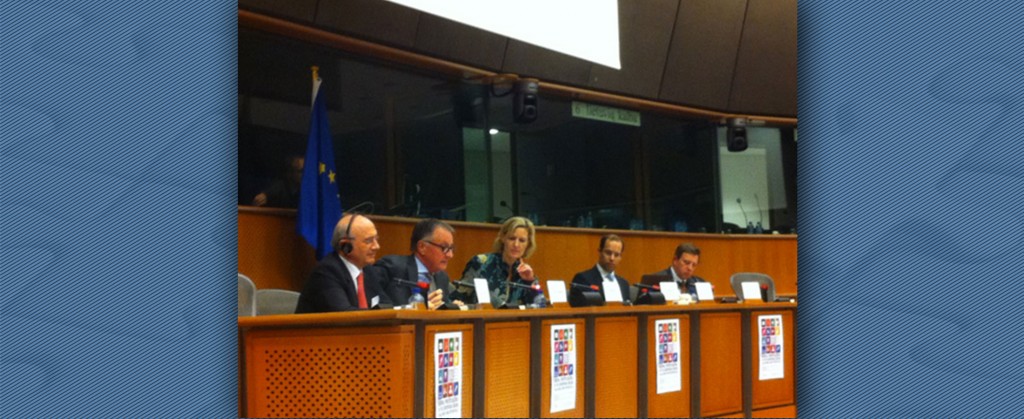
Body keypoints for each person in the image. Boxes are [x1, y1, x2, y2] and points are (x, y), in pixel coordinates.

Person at [295, 213, 391, 313]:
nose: (376, 246)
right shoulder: (327, 272)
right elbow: (343, 314)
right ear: (345, 246)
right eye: (368, 241)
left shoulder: (367, 270)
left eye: (376, 239)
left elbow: (386, 306)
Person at [371, 219, 464, 310]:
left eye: (451, 248)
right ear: (422, 247)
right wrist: (418, 307)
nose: (450, 255)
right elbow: (374, 305)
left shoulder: (442, 277)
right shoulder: (392, 267)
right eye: (444, 248)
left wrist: (450, 307)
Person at [457, 216, 539, 306]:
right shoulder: (480, 263)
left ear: (528, 244)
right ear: (503, 238)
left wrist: (530, 281)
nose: (516, 244)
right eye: (512, 238)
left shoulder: (525, 272)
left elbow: (540, 305)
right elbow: (459, 298)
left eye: (522, 240)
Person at [571, 234, 631, 305]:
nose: (612, 258)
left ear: (620, 257)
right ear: (600, 252)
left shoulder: (624, 284)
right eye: (608, 253)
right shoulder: (583, 280)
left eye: (616, 255)